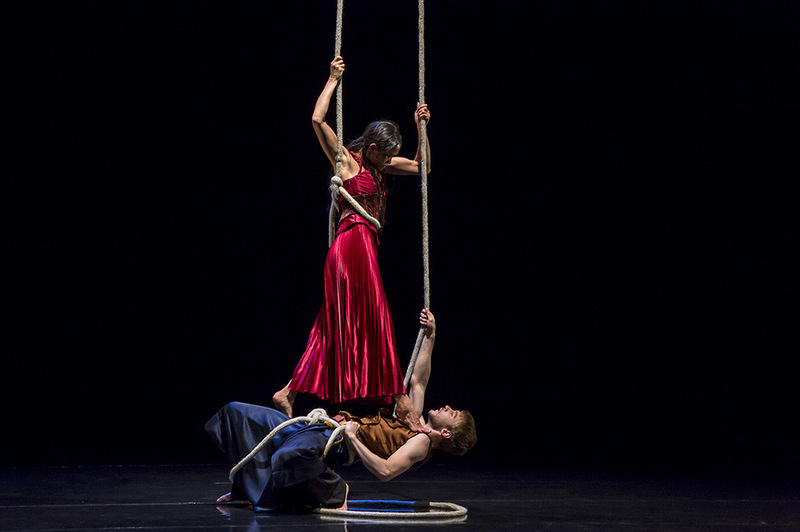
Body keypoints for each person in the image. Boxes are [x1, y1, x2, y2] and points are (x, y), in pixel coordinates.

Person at [272, 56, 432, 427]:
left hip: (364, 246)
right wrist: (331, 79)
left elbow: (423, 166)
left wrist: (421, 128)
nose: (392, 161)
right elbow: (316, 120)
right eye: (387, 154)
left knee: (333, 325)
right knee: (376, 315)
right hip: (350, 245)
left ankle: (290, 391)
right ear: (372, 147)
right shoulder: (345, 160)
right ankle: (401, 399)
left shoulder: (382, 167)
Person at [206, 309, 476, 512]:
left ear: (446, 434)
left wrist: (353, 438)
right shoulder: (415, 424)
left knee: (291, 454)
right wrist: (431, 333)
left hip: (333, 441)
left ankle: (336, 491)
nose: (448, 407)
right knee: (236, 414)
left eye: (452, 414)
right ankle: (244, 490)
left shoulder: (422, 443)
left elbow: (384, 472)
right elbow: (418, 380)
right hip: (320, 426)